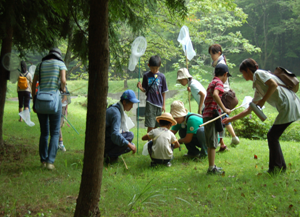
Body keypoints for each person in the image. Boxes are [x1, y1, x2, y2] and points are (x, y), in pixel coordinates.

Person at [223, 58, 300, 174]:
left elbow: (273, 85)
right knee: (273, 136)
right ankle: (279, 167)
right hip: (288, 105)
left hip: (289, 105)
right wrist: (231, 119)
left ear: (248, 70)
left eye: (243, 73)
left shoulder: (259, 74)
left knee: (272, 136)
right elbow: (249, 110)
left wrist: (263, 100)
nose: (243, 76)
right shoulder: (258, 85)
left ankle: (276, 168)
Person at [32, 48, 67, 170]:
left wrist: (34, 99)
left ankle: (42, 160)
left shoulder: (40, 65)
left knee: (44, 133)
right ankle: (50, 162)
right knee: (55, 132)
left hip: (41, 100)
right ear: (58, 56)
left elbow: (34, 83)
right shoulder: (60, 64)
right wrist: (62, 88)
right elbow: (63, 80)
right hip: (54, 102)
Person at [209, 44, 240, 150]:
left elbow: (216, 91)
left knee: (220, 117)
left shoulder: (220, 64)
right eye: (210, 54)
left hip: (222, 93)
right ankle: (230, 139)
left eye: (213, 54)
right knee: (223, 117)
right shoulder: (220, 63)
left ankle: (223, 141)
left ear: (219, 53)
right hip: (222, 92)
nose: (212, 56)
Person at [203, 64, 231, 175]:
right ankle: (211, 168)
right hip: (212, 115)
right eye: (227, 76)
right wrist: (224, 109)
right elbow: (215, 94)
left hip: (207, 114)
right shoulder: (219, 83)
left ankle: (212, 166)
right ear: (225, 74)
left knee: (212, 142)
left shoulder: (212, 82)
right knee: (213, 143)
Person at [105, 90, 138, 163]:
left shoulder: (116, 108)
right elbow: (115, 135)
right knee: (129, 145)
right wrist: (129, 144)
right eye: (131, 104)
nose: (132, 107)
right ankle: (110, 155)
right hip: (105, 142)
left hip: (107, 137)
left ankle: (112, 154)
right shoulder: (116, 114)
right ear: (124, 102)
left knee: (130, 135)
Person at [137, 55, 168, 133]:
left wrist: (163, 105)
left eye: (156, 68)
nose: (154, 70)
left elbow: (163, 92)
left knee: (157, 126)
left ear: (159, 67)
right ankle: (149, 144)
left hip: (159, 104)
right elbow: (145, 89)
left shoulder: (162, 76)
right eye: (152, 68)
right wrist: (140, 88)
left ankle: (155, 143)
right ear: (149, 66)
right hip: (150, 103)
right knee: (150, 125)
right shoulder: (146, 76)